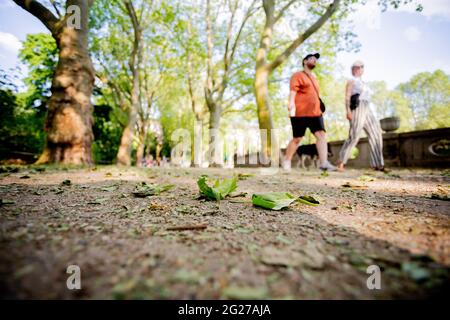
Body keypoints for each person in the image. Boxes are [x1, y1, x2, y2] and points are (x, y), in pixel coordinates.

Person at [282, 53, 337, 171]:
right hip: (300, 112)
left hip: (316, 113)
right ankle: (287, 160)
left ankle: (324, 163)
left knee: (321, 135)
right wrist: (291, 103)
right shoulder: (298, 75)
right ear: (305, 61)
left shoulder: (314, 78)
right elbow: (293, 90)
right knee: (297, 138)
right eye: (312, 59)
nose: (315, 61)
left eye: (316, 60)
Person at [337, 60, 385, 171]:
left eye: (361, 67)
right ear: (353, 69)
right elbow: (347, 96)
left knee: (376, 133)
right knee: (354, 135)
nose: (360, 69)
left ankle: (378, 164)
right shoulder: (351, 80)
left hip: (367, 108)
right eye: (357, 67)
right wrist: (348, 110)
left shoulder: (364, 83)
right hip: (357, 108)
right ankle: (341, 161)